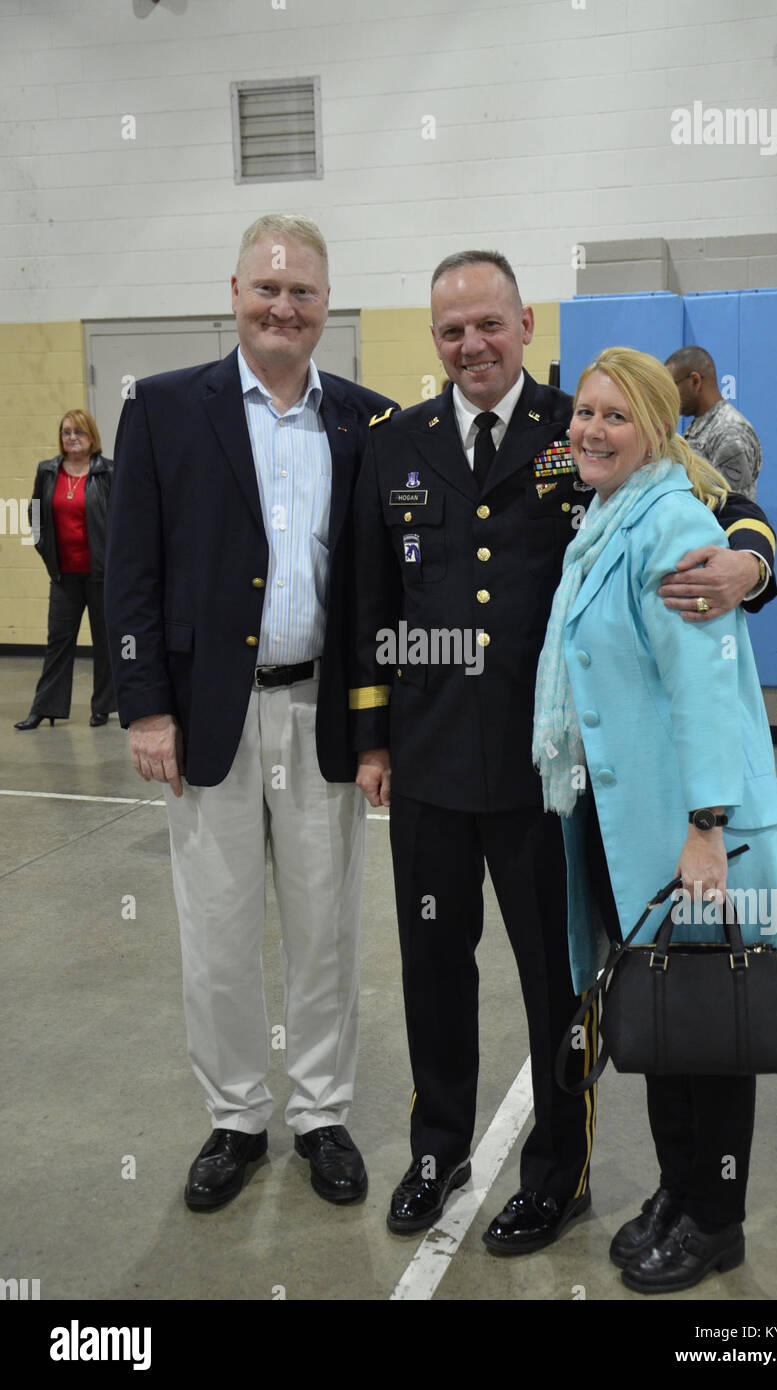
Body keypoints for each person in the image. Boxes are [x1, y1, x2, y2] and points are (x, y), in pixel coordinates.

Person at [350, 250, 777, 1255]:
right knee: (429, 966)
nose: (471, 345)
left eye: (488, 324)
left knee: (558, 979)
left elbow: (713, 502)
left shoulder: (582, 427)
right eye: (451, 329)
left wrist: (750, 561)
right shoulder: (394, 442)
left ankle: (556, 1169)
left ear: (525, 322)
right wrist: (372, 739)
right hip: (426, 762)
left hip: (549, 778)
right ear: (434, 338)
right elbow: (372, 602)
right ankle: (437, 1146)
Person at [104, 214, 397, 1213]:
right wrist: (145, 708)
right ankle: (235, 1114)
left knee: (325, 931)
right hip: (206, 719)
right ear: (233, 292)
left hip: (323, 711)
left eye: (303, 293)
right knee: (219, 929)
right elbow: (129, 570)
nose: (283, 307)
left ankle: (320, 1112)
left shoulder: (367, 420)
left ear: (326, 306)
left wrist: (376, 724)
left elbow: (374, 594)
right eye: (267, 289)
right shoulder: (164, 409)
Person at [534, 346, 777, 1293]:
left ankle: (716, 1219)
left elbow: (704, 690)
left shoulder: (673, 523)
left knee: (710, 1029)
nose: (591, 431)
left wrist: (704, 826)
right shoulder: (610, 514)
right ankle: (675, 1189)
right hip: (634, 833)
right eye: (584, 412)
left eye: (616, 416)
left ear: (656, 427)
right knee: (658, 1021)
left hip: (692, 835)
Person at [15, 410, 115, 730]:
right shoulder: (47, 471)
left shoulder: (108, 472)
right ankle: (45, 708)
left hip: (101, 574)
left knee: (105, 642)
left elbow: (124, 522)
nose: (72, 437)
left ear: (92, 437)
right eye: (66, 432)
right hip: (63, 575)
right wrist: (45, 550)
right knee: (58, 642)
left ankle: (102, 706)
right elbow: (35, 513)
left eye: (79, 432)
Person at [665, 345, 763, 500]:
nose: (669, 397)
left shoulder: (730, 431)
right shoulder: (699, 424)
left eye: (672, 387)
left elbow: (731, 506)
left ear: (695, 381)